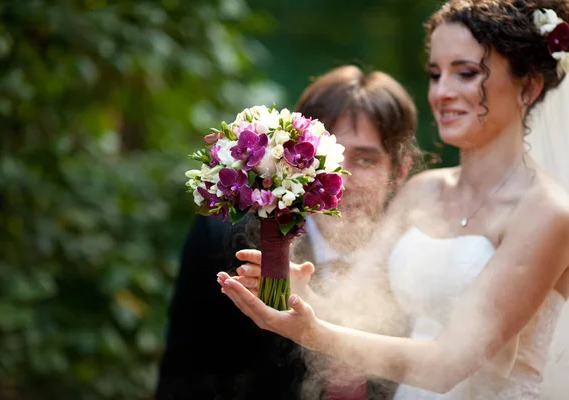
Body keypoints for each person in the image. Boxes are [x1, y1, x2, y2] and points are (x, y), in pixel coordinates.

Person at [219, 0, 569, 399]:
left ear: (529, 86)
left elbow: (447, 366)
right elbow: (360, 318)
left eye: (466, 73)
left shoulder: (548, 214)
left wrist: (314, 332)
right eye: (436, 74)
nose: (442, 92)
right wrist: (301, 296)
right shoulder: (424, 191)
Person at [156, 65, 419, 400]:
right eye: (327, 159)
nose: (344, 179)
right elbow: (186, 374)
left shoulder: (419, 256)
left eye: (365, 160)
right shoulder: (223, 241)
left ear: (401, 170)